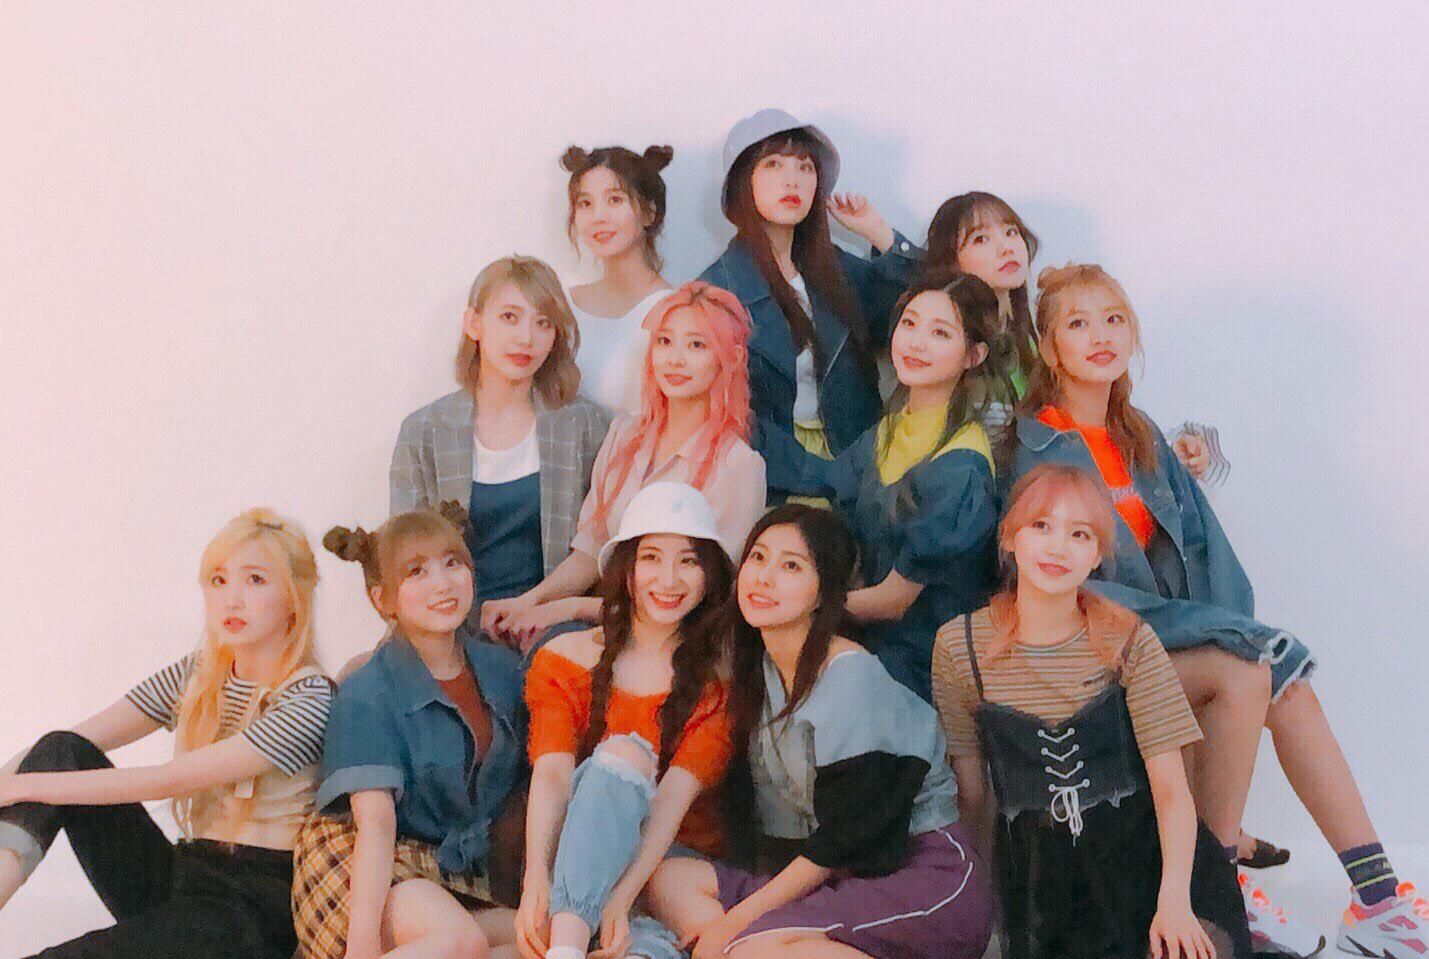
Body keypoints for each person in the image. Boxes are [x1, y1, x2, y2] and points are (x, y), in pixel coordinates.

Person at [1004, 263, 1425, 957]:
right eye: (1078, 323)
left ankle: (1377, 899)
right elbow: (1070, 589)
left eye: (1114, 319)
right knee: (1244, 671)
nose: (1101, 335)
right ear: (1049, 349)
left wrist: (1236, 630)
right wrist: (1224, 637)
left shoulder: (1139, 436)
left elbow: (1208, 553)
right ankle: (1218, 889)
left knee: (1282, 682)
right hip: (1086, 650)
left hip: (1164, 639)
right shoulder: (1037, 447)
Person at [645, 505, 995, 959]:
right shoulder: (761, 668)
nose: (765, 577)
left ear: (823, 593)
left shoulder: (850, 677)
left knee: (749, 947)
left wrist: (733, 925)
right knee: (671, 879)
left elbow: (844, 841)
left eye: (791, 566)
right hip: (833, 879)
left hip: (921, 876)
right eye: (758, 557)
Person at [933, 464, 1251, 958]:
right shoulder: (960, 646)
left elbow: (1171, 792)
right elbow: (971, 792)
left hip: (1148, 863)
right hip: (1043, 883)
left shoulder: (1130, 638)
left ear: (1098, 554)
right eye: (1041, 526)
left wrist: (1173, 902)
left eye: (1079, 534)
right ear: (1010, 537)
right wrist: (980, 904)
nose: (1058, 547)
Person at [0, 509, 334, 959]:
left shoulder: (309, 697)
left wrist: (20, 787)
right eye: (218, 580)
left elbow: (164, 781)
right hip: (184, 878)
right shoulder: (199, 674)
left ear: (296, 596)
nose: (232, 600)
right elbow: (67, 745)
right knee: (62, 748)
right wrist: (9, 778)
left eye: (255, 580)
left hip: (251, 913)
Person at [296, 502, 525, 959]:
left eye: (453, 563)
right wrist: (361, 947)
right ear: (382, 599)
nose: (442, 583)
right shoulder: (368, 692)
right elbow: (376, 824)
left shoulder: (503, 670)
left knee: (540, 941)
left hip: (444, 869)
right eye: (416, 572)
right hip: (360, 861)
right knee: (461, 943)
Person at [483, 281, 765, 649]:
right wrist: (529, 601)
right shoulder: (624, 433)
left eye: (697, 345)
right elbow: (590, 550)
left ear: (730, 358)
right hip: (607, 621)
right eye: (664, 341)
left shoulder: (739, 465)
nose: (675, 359)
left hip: (679, 644)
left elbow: (703, 601)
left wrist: (569, 609)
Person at [517, 482, 734, 959]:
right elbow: (552, 775)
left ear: (710, 575)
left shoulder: (716, 686)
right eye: (651, 557)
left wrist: (620, 899)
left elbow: (670, 805)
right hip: (579, 859)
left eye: (689, 561)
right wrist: (536, 878)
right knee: (622, 755)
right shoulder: (564, 659)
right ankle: (567, 948)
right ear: (627, 569)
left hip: (665, 872)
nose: (669, 580)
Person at [700, 108, 922, 503]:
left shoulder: (838, 272)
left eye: (805, 167)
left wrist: (881, 236)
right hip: (773, 484)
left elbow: (923, 319)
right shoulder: (717, 291)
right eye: (773, 164)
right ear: (742, 182)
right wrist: (830, 478)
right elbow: (734, 420)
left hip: (861, 470)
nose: (793, 179)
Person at [390, 255, 610, 631]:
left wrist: (531, 607)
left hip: (551, 622)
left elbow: (599, 546)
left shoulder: (584, 425)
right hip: (450, 625)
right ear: (473, 324)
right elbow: (403, 555)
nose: (526, 338)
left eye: (543, 323)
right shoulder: (424, 431)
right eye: (510, 317)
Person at [830, 271, 1006, 701]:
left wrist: (809, 606)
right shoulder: (889, 430)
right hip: (869, 639)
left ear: (974, 355)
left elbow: (893, 602)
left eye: (940, 332)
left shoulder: (962, 464)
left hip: (925, 664)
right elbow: (824, 484)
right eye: (909, 323)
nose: (916, 342)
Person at [560, 144, 675, 417]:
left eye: (615, 200)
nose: (598, 217)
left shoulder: (674, 311)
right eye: (586, 204)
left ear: (649, 212)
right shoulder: (562, 305)